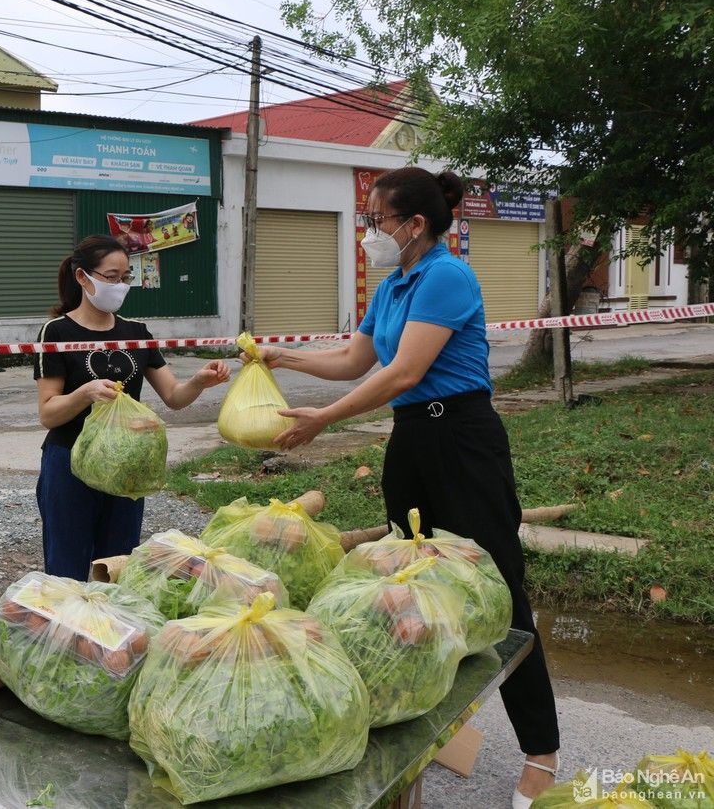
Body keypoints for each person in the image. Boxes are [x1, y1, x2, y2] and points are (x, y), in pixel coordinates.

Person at [254, 168, 560, 809]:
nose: (369, 233)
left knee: (501, 593)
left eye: (376, 220)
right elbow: (353, 361)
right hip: (412, 445)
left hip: (464, 444)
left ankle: (541, 751)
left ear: (415, 224)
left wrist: (325, 420)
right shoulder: (393, 285)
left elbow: (405, 371)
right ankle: (429, 722)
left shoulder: (446, 276)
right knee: (408, 591)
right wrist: (284, 358)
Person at [34, 235, 230, 580]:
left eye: (126, 277)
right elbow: (48, 413)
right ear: (83, 277)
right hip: (69, 462)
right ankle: (68, 632)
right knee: (66, 566)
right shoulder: (56, 332)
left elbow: (173, 396)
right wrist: (86, 392)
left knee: (117, 566)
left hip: (127, 466)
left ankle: (111, 631)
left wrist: (199, 381)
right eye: (111, 276)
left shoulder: (137, 332)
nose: (120, 285)